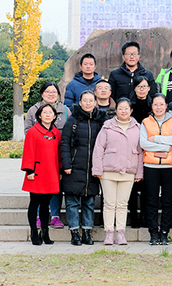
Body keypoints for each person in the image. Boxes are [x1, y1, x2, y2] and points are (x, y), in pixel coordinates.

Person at [92, 98, 144, 246]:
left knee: (122, 204)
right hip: (108, 171)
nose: (123, 111)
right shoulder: (107, 126)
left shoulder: (138, 128)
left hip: (128, 172)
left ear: (131, 110)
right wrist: (97, 168)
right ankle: (109, 233)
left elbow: (140, 152)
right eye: (120, 108)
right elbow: (99, 148)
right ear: (116, 110)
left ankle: (121, 233)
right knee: (109, 203)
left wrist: (139, 173)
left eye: (126, 108)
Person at [60, 91, 105, 246]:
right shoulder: (72, 120)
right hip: (74, 167)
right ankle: (74, 232)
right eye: (85, 100)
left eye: (91, 100)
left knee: (89, 202)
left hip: (92, 168)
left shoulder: (100, 120)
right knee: (72, 202)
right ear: (80, 102)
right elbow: (64, 143)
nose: (88, 103)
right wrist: (66, 164)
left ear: (95, 102)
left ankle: (87, 231)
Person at [24, 81, 70, 230]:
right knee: (38, 191)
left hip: (56, 155)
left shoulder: (65, 110)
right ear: (42, 94)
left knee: (56, 187)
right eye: (48, 91)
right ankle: (38, 218)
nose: (51, 94)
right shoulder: (33, 110)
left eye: (54, 91)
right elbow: (28, 132)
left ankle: (55, 216)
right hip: (39, 156)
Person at [139, 94, 172, 245]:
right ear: (151, 106)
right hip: (151, 166)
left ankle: (164, 232)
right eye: (155, 104)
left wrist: (155, 138)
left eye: (161, 104)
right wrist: (165, 146)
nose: (158, 107)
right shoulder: (145, 122)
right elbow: (143, 143)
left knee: (168, 201)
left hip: (170, 166)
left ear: (166, 105)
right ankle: (153, 233)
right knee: (151, 201)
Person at [22, 104, 61, 245]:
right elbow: (28, 151)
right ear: (39, 115)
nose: (48, 115)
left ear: (55, 116)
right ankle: (34, 232)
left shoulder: (56, 133)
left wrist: (60, 170)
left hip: (51, 172)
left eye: (50, 112)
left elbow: (59, 153)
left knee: (46, 204)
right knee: (35, 202)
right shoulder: (33, 131)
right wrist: (29, 170)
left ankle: (45, 232)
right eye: (45, 112)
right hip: (36, 172)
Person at [127, 76, 151, 228]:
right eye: (139, 87)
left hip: (149, 150)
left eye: (145, 86)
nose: (142, 90)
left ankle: (144, 217)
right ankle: (134, 218)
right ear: (134, 88)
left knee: (147, 188)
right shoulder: (129, 106)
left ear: (149, 88)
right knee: (132, 188)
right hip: (132, 150)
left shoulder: (153, 106)